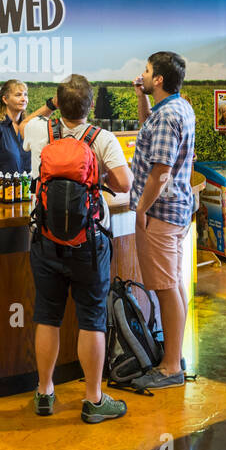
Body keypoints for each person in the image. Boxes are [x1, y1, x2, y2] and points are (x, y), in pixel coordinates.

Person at [23, 74, 133, 423]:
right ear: (89, 106)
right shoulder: (103, 138)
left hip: (46, 239)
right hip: (89, 241)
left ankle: (44, 392)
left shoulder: (40, 131)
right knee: (91, 319)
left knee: (47, 315)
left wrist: (50, 108)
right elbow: (125, 184)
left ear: (58, 103)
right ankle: (93, 399)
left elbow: (22, 124)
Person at [129, 51, 196, 390]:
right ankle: (175, 354)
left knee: (167, 289)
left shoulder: (169, 115)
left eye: (146, 70)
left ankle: (170, 367)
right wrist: (141, 98)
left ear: (158, 79)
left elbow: (161, 172)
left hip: (160, 213)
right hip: (176, 211)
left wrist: (140, 210)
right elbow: (148, 127)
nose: (142, 73)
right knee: (174, 284)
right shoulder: (175, 107)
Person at [0, 79, 54, 188]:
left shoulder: (27, 127)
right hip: (0, 197)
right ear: (5, 99)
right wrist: (6, 188)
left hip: (26, 196)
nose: (23, 99)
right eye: (18, 95)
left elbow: (40, 118)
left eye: (25, 95)